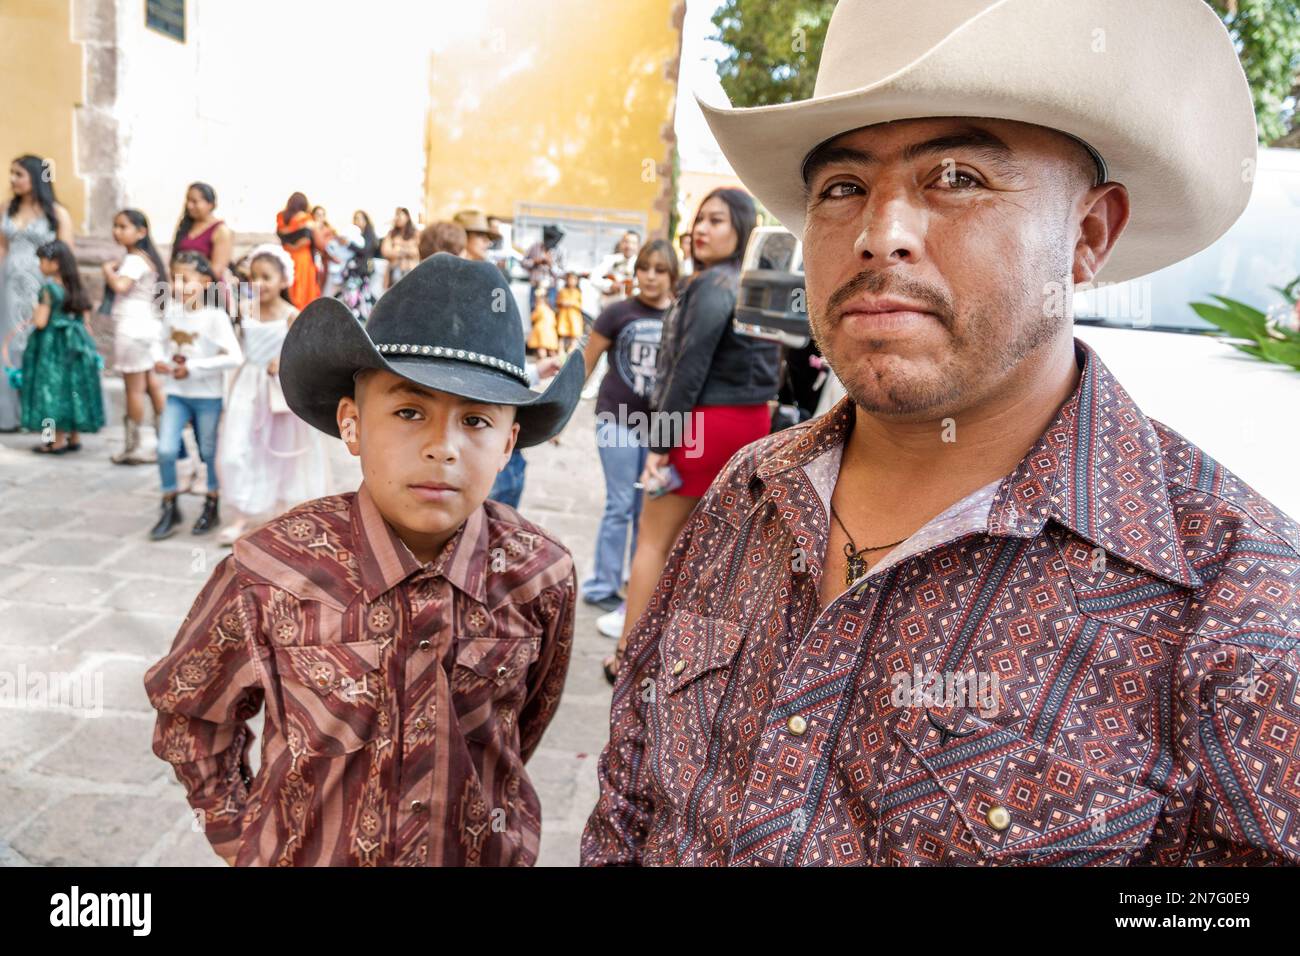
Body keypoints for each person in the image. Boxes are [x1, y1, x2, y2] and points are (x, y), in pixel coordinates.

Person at [582, 0, 1300, 867]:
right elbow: (627, 803)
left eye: (957, 177)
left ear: (1088, 234)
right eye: (843, 188)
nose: (881, 235)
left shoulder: (1242, 609)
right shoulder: (749, 493)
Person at [144, 253, 587, 866]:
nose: (442, 448)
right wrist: (245, 837)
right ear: (352, 424)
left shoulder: (539, 576)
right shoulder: (271, 571)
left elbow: (524, 721)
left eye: (477, 421)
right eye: (409, 412)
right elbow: (191, 715)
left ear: (510, 443)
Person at [603, 188, 779, 682]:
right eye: (700, 219)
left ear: (741, 228)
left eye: (717, 220)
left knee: (653, 541)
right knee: (706, 546)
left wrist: (659, 445)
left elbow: (687, 369)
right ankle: (680, 657)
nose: (703, 228)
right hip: (749, 423)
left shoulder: (710, 285)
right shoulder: (753, 283)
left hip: (703, 423)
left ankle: (628, 658)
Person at [578, 239, 677, 630]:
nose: (650, 277)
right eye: (644, 268)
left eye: (659, 269)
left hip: (662, 426)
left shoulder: (683, 317)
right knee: (620, 503)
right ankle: (602, 585)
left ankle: (637, 582)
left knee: (649, 510)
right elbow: (586, 363)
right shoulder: (616, 313)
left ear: (672, 275)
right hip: (617, 418)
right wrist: (558, 412)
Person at [216, 245, 331, 545]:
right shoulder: (245, 310)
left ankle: (280, 515)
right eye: (253, 277)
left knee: (281, 452)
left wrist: (283, 361)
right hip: (248, 386)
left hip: (281, 391)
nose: (258, 284)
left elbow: (305, 353)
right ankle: (243, 511)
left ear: (283, 280)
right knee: (236, 449)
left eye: (266, 277)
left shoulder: (291, 315)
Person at [148, 251, 243, 541]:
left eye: (185, 279)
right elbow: (158, 343)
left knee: (209, 451)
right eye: (174, 278)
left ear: (204, 281)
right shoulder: (172, 312)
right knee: (165, 449)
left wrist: (193, 368)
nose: (177, 286)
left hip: (207, 396)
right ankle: (169, 503)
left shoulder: (215, 318)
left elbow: (234, 357)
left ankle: (211, 503)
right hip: (177, 394)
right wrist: (159, 360)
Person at [1, 155, 74, 431]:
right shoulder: (7, 208)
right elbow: (2, 248)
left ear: (35, 177)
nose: (13, 180)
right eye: (11, 173)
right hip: (9, 285)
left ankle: (42, 414)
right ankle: (12, 413)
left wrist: (63, 292)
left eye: (19, 174)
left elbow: (67, 255)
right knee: (9, 343)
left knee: (40, 343)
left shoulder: (56, 213)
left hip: (40, 285)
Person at [20, 240, 104, 452]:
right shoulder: (76, 288)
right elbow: (85, 321)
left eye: (42, 260)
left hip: (51, 348)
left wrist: (32, 316)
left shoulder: (48, 289)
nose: (40, 264)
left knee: (48, 392)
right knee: (72, 391)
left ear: (55, 263)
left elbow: (40, 321)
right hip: (76, 346)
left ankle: (51, 440)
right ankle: (73, 437)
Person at [105, 209, 168, 464]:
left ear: (141, 232)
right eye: (115, 226)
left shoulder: (133, 260)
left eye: (123, 226)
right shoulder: (146, 258)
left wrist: (107, 270)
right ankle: (165, 440)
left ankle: (134, 447)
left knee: (134, 387)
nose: (117, 231)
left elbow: (121, 286)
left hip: (132, 327)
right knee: (151, 383)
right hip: (147, 325)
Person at [170, 182, 233, 284]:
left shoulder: (220, 231)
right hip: (180, 286)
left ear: (211, 205)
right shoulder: (185, 227)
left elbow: (216, 271)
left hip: (207, 289)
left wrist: (193, 282)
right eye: (188, 200)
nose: (189, 206)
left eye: (194, 202)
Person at [276, 192, 320, 309]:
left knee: (289, 286)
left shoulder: (281, 217)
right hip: (302, 258)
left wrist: (290, 247)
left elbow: (280, 233)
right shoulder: (305, 218)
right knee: (303, 289)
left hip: (285, 255)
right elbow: (307, 240)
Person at [522, 223, 566, 313]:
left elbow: (563, 273)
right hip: (535, 285)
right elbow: (523, 263)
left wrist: (551, 265)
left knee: (549, 313)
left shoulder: (560, 252)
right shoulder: (534, 247)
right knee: (534, 312)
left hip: (551, 288)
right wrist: (535, 262)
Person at [381, 206, 419, 287]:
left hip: (411, 271)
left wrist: (398, 250)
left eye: (400, 215)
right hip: (394, 272)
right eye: (396, 215)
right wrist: (406, 251)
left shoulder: (415, 233)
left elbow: (417, 252)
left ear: (407, 217)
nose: (398, 218)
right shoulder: (391, 234)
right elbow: (386, 251)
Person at [554, 271, 584, 354]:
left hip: (574, 316)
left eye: (574, 279)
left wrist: (573, 303)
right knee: (562, 332)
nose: (571, 281)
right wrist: (563, 302)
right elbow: (558, 301)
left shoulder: (578, 292)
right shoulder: (562, 291)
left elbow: (580, 304)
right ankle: (560, 349)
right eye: (570, 279)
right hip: (564, 315)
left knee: (574, 334)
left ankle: (572, 349)